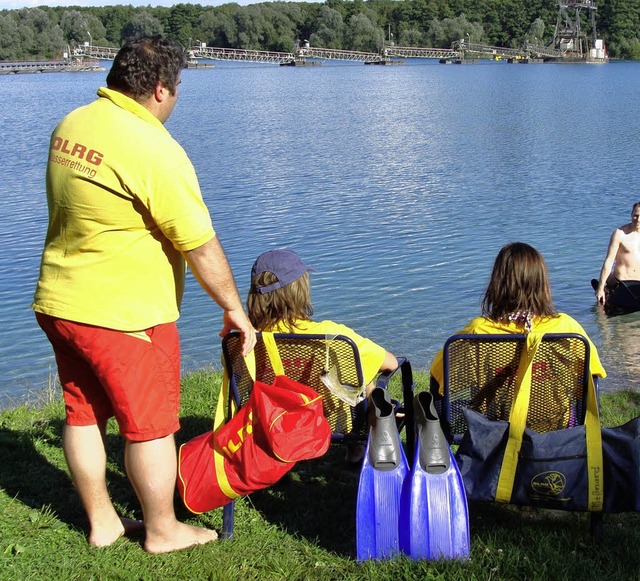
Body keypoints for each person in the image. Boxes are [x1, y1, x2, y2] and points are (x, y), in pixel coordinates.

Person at [32, 36, 255, 554]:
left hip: (60, 302)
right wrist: (233, 309)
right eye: (176, 91)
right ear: (159, 89)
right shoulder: (153, 147)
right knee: (150, 426)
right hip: (123, 315)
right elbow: (199, 244)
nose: (174, 101)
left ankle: (104, 521)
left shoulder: (72, 124)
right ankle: (162, 529)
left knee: (83, 413)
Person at [246, 248, 398, 462]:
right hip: (330, 421)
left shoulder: (245, 340)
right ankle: (356, 449)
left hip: (269, 418)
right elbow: (390, 363)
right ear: (300, 290)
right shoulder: (329, 335)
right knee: (365, 383)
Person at [430, 242, 606, 393]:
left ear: (497, 284)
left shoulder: (478, 331)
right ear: (542, 284)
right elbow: (593, 377)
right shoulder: (567, 328)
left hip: (495, 430)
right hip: (558, 431)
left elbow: (439, 378)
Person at [594, 202, 640, 306]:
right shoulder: (620, 234)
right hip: (622, 285)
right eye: (635, 215)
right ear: (631, 214)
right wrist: (600, 288)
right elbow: (609, 261)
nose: (638, 219)